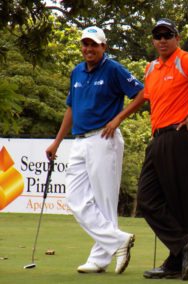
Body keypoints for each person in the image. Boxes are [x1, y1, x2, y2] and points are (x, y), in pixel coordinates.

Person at [114, 18, 188, 280]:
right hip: (158, 138)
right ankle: (184, 245)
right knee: (147, 198)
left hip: (179, 135)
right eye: (158, 36)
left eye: (168, 35)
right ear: (153, 41)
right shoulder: (151, 68)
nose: (163, 40)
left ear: (177, 38)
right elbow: (145, 97)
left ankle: (176, 261)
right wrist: (119, 118)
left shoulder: (185, 60)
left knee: (178, 201)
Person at [45, 26, 144, 274]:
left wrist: (118, 119)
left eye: (94, 44)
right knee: (75, 198)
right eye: (85, 44)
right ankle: (117, 241)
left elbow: (143, 93)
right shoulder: (76, 71)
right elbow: (71, 108)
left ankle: (100, 258)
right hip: (79, 139)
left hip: (104, 138)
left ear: (104, 47)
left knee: (104, 201)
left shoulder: (113, 69)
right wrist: (57, 141)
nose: (88, 49)